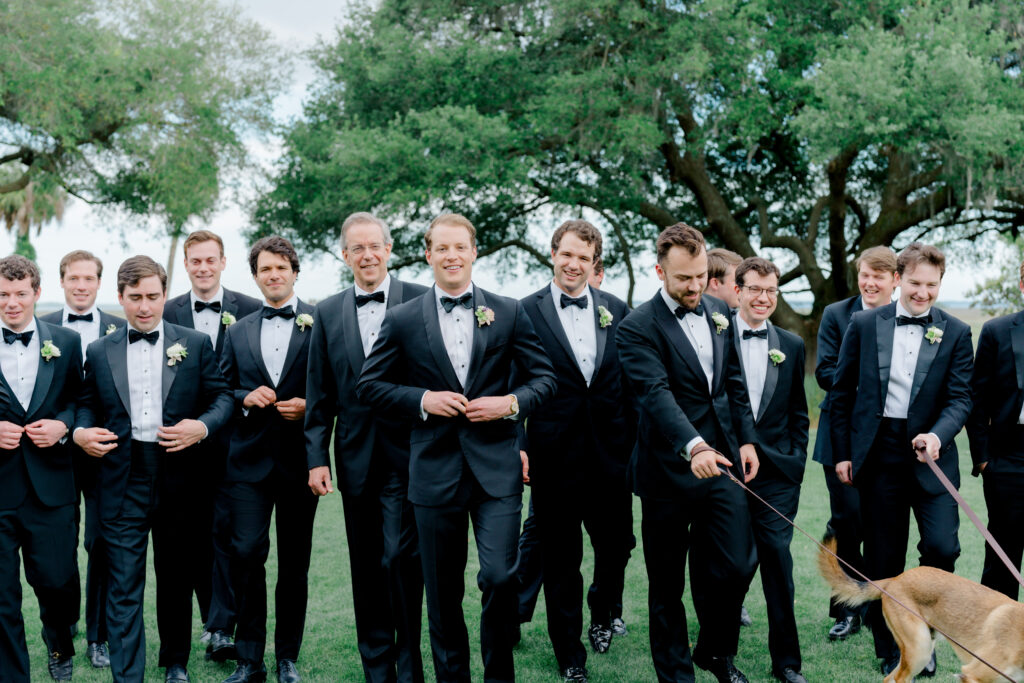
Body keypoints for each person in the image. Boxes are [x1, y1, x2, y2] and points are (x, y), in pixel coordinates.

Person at [357, 213, 556, 683]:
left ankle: (498, 676)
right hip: (432, 471)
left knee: (501, 577)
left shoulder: (508, 311)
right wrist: (423, 399)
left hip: (497, 470)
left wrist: (510, 404)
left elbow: (544, 379)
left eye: (459, 248)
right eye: (441, 249)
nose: (451, 256)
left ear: (473, 252)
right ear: (428, 255)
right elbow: (371, 385)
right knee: (442, 593)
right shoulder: (403, 318)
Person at [73, 256, 233, 683]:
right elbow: (88, 402)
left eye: (153, 296)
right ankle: (128, 677)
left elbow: (222, 398)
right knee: (123, 582)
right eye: (135, 298)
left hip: (179, 474)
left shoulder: (195, 344)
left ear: (164, 295)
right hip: (121, 476)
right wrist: (81, 430)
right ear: (120, 298)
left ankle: (175, 662)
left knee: (176, 576)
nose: (145, 307)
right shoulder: (99, 349)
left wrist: (200, 427)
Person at [616, 223, 758, 683]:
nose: (694, 286)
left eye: (699, 275)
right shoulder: (636, 327)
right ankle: (676, 676)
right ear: (660, 271)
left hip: (722, 466)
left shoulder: (719, 310)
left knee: (738, 564)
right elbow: (655, 395)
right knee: (666, 584)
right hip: (666, 474)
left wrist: (746, 440)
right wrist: (692, 444)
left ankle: (716, 651)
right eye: (683, 279)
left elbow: (733, 382)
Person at [830, 243, 973, 677]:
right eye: (914, 283)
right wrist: (842, 454)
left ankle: (924, 633)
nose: (922, 293)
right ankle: (894, 649)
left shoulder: (957, 331)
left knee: (942, 548)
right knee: (884, 558)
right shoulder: (864, 323)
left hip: (931, 455)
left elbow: (961, 397)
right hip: (878, 455)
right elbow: (841, 393)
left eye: (932, 285)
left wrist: (937, 434)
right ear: (898, 279)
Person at [306, 212, 428, 683]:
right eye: (356, 248)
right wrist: (316, 457)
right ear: (344, 255)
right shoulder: (328, 311)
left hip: (412, 455)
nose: (367, 255)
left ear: (389, 249)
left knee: (400, 558)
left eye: (374, 246)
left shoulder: (420, 300)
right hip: (354, 458)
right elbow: (319, 396)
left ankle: (409, 663)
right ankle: (377, 668)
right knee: (365, 568)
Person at [518, 220, 634, 683]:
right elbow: (514, 385)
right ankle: (570, 655)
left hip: (611, 456)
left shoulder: (616, 309)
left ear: (594, 263)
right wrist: (520, 445)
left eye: (583, 258)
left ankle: (603, 612)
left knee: (618, 546)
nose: (574, 264)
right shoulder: (524, 311)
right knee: (561, 560)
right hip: (553, 457)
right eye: (567, 254)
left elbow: (629, 382)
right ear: (553, 254)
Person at [218, 236, 318, 683]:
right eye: (264, 269)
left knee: (295, 564)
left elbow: (334, 388)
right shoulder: (236, 330)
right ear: (255, 276)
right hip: (247, 464)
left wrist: (308, 405)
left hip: (300, 463)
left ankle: (287, 658)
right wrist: (244, 396)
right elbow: (220, 389)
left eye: (280, 267)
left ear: (295, 271)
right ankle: (248, 659)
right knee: (245, 554)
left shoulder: (320, 324)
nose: (273, 275)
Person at [163, 230, 261, 661]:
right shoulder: (166, 312)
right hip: (182, 449)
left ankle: (223, 626)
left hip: (239, 443)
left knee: (233, 538)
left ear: (224, 262)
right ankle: (213, 624)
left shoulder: (251, 309)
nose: (202, 268)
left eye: (210, 260)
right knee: (194, 540)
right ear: (185, 265)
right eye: (195, 261)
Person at [39, 250, 125, 669]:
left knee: (102, 543)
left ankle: (99, 636)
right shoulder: (43, 328)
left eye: (89, 278)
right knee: (60, 543)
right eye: (73, 278)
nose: (81, 285)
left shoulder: (122, 328)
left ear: (99, 282)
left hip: (104, 453)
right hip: (53, 455)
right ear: (62, 281)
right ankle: (65, 618)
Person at [0, 255, 83, 682]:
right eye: (2, 295)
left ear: (36, 292)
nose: (11, 303)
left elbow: (80, 400)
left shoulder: (66, 342)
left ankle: (59, 642)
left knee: (57, 582)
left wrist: (64, 425)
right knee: (1, 598)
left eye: (19, 294)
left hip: (51, 488)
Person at [730, 257, 809, 683]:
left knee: (778, 561)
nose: (763, 299)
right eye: (755, 290)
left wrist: (795, 460)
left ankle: (787, 663)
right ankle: (720, 652)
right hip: (728, 470)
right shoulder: (718, 334)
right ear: (738, 290)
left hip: (779, 474)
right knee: (734, 564)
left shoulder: (791, 345)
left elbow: (799, 410)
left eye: (771, 291)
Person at [811, 246, 896, 641]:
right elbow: (826, 372)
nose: (870, 282)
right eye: (865, 274)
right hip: (841, 434)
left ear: (895, 280)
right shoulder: (836, 314)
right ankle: (847, 609)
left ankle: (883, 610)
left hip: (886, 442)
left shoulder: (906, 318)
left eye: (880, 276)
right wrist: (869, 387)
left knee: (882, 528)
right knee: (847, 521)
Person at [967, 259, 1024, 600]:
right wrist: (984, 458)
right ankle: (995, 646)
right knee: (1003, 555)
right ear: (1021, 284)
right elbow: (976, 398)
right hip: (1008, 458)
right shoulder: (997, 331)